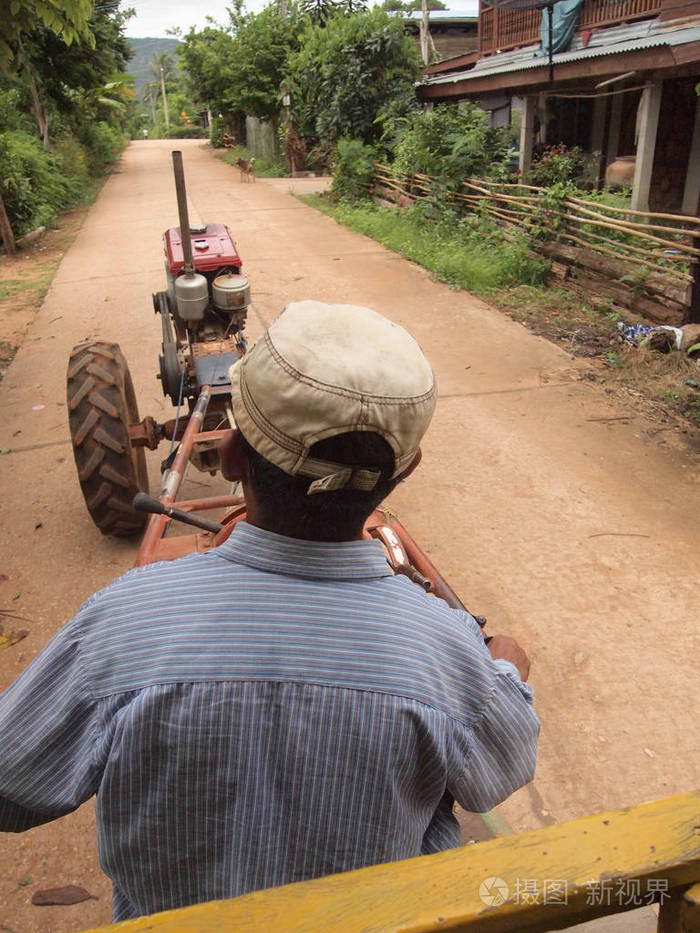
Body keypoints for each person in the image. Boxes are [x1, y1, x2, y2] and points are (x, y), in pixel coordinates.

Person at [0, 301, 539, 922]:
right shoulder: (446, 652)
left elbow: (12, 791)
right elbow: (501, 768)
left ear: (229, 458)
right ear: (407, 469)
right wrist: (504, 673)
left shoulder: (120, 626)